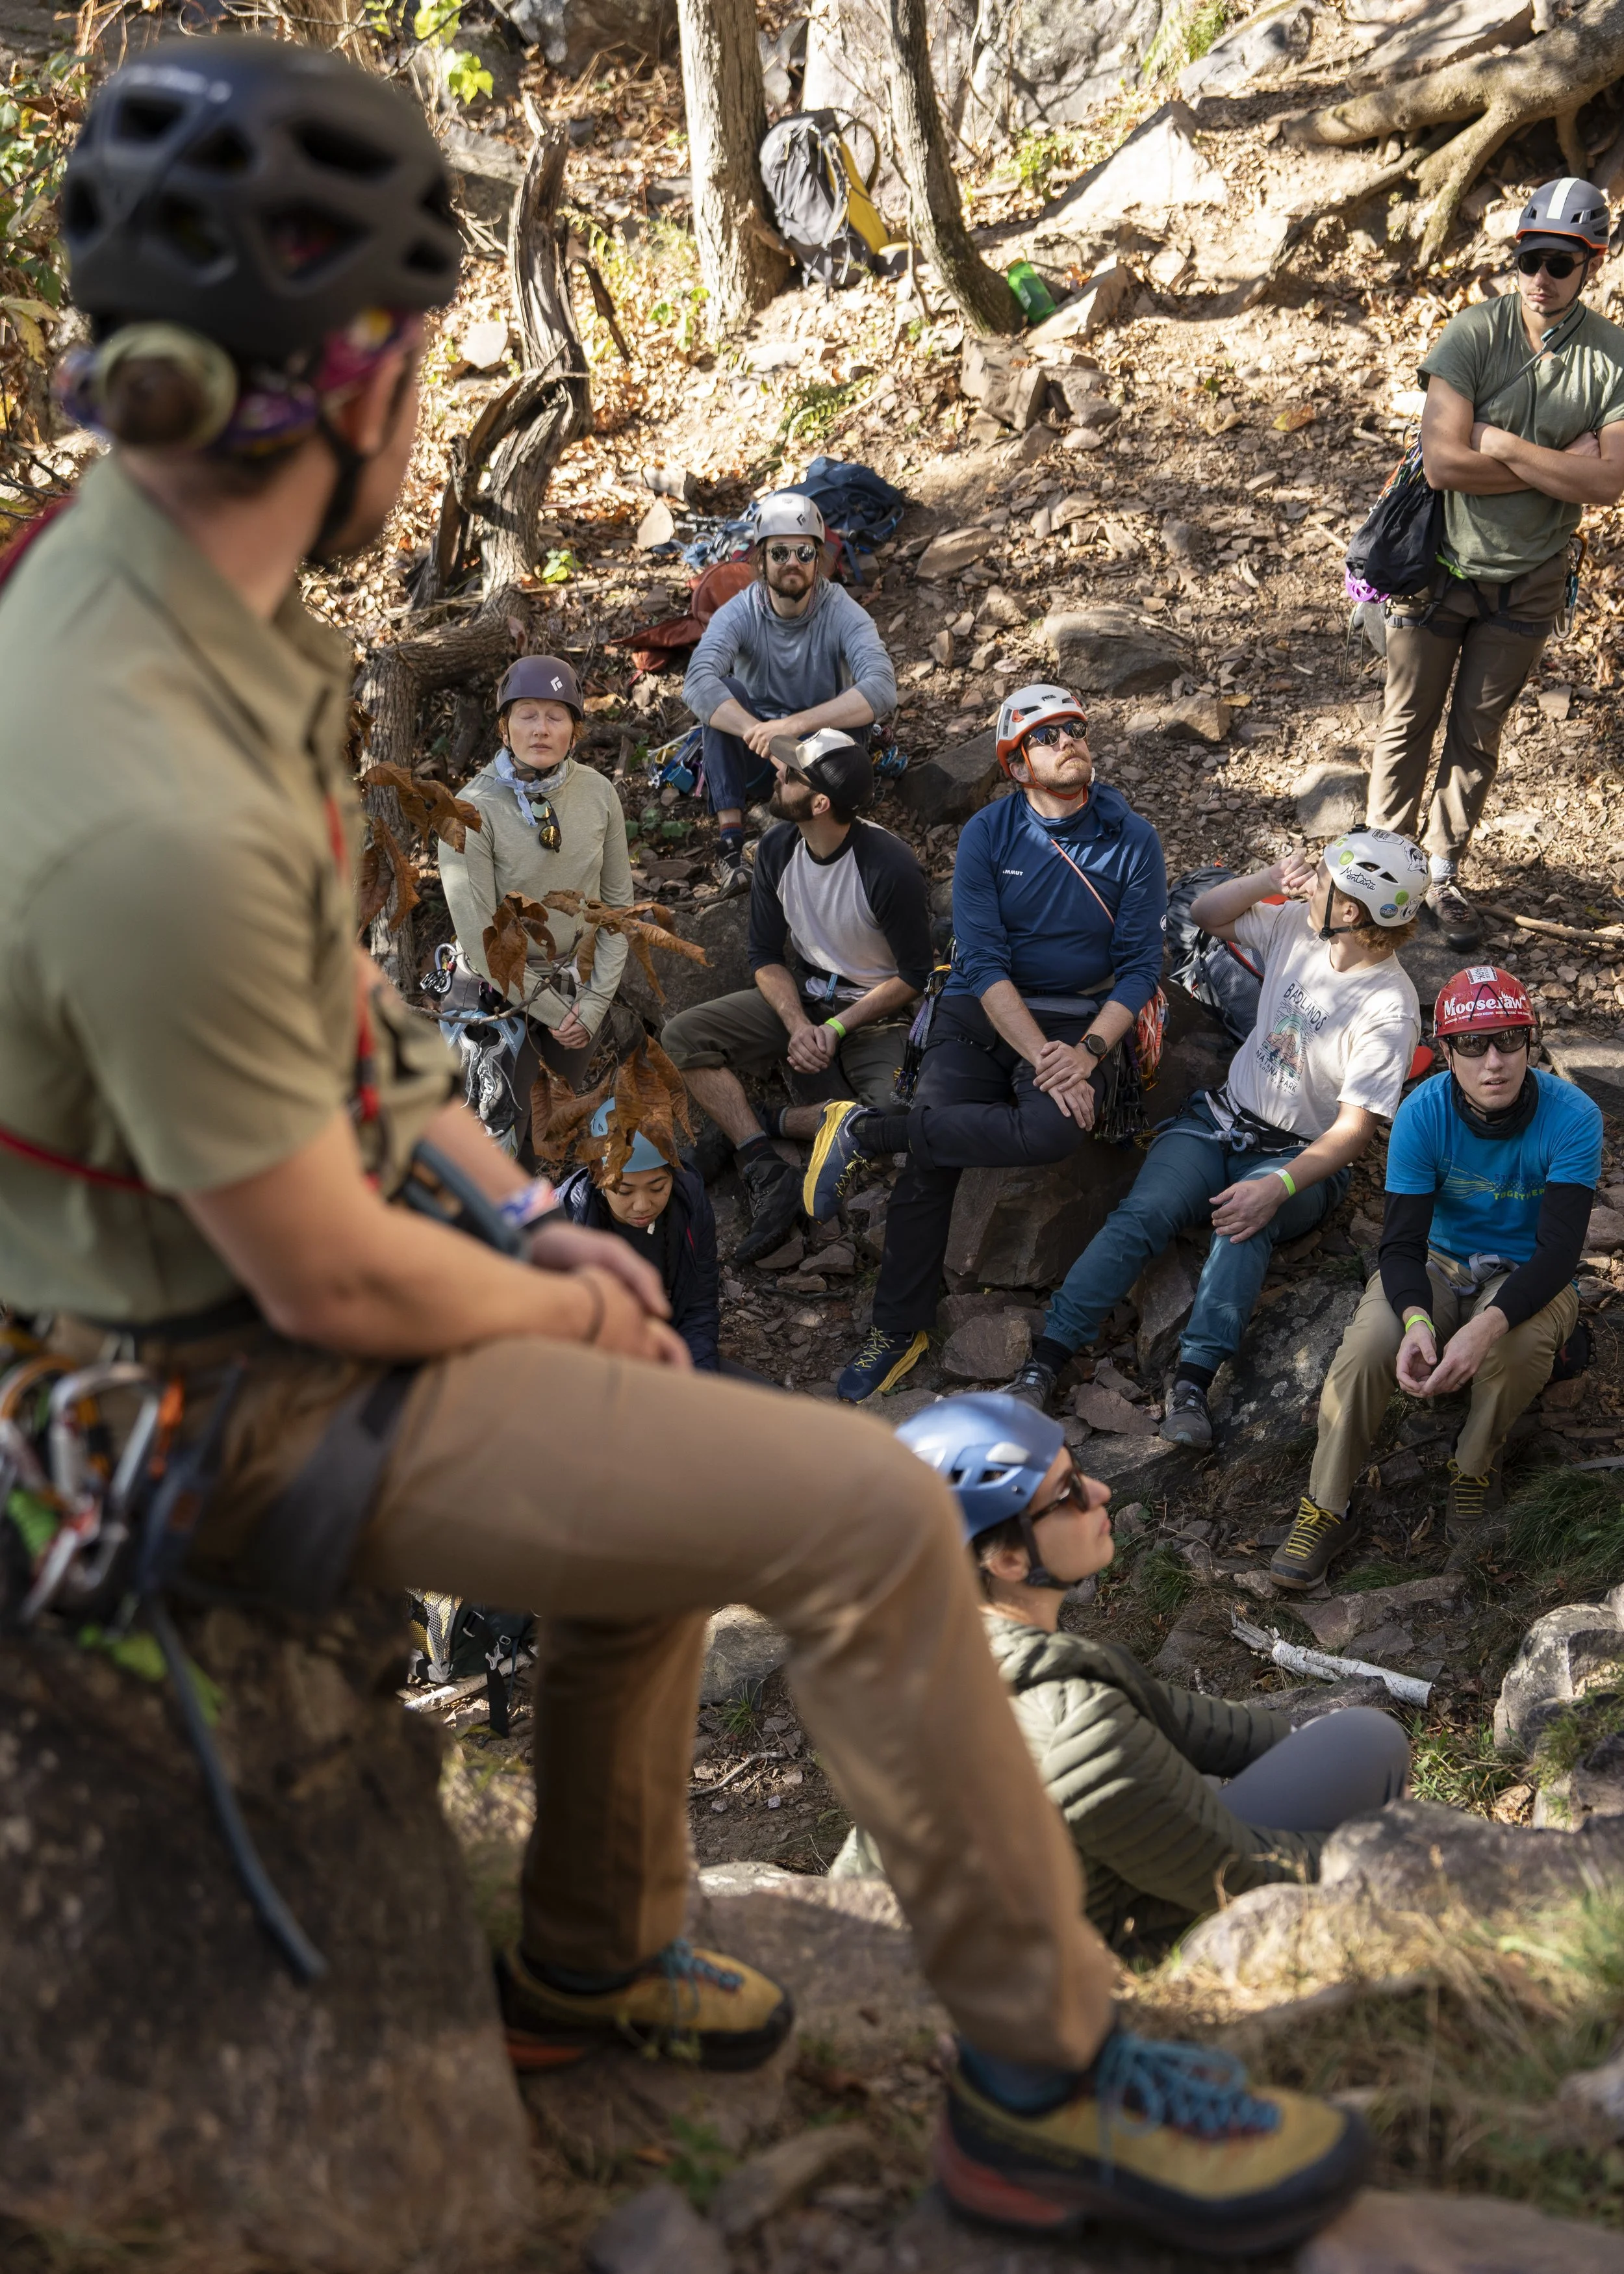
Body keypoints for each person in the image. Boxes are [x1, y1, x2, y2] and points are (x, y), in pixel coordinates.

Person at [0, 43, 1369, 2257]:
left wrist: (530, 1200)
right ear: (338, 374)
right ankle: (1044, 2082)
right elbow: (323, 1272)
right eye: (427, 365)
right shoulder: (132, 769)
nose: (434, 408)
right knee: (862, 1508)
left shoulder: (166, 590)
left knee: (644, 1393)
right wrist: (542, 1288)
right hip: (199, 1387)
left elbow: (330, 998)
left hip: (212, 1282)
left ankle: (595, 1946)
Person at [837, 1396, 1411, 1945]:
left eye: (1078, 1470)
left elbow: (1174, 1718)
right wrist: (1396, 1853)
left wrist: (1290, 1742)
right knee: (1371, 1740)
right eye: (1067, 1494)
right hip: (1098, 1961)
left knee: (1308, 1752)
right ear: (1008, 1559)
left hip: (1028, 1922)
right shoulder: (1074, 1726)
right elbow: (1237, 1877)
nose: (1100, 1491)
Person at [1006, 834, 1427, 1450]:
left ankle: (1193, 1387)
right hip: (1222, 1119)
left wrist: (1276, 1186)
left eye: (1329, 881)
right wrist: (1270, 878)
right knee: (1144, 1214)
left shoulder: (1389, 1008)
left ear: (1352, 912)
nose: (1314, 883)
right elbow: (1204, 914)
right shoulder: (1299, 926)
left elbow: (1353, 1131)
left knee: (1243, 1228)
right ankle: (1045, 1360)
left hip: (1298, 1156)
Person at [809, 685, 1167, 1405]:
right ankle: (897, 1327)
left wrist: (1089, 1052)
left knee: (1053, 1127)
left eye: (1073, 728)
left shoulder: (1132, 840)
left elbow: (1138, 969)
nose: (1068, 739)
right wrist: (1043, 1057)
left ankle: (866, 1129)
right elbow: (984, 960)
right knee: (931, 1156)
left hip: (1074, 1020)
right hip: (979, 1011)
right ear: (1015, 765)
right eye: (1046, 735)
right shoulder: (989, 835)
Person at [1276, 966, 1602, 1588]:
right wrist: (1418, 1319)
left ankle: (1476, 1468)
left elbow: (1559, 1254)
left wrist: (1485, 1329)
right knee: (1370, 1345)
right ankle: (1326, 1505)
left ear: (1531, 1043)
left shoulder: (1573, 1117)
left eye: (1510, 1040)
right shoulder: (1422, 1114)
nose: (1494, 1063)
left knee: (1515, 1344)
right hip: (1440, 1262)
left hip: (1530, 1268)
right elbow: (1398, 1246)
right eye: (1472, 1045)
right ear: (1446, 1051)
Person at [1369, 176, 1624, 949]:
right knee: (1407, 718)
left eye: (1560, 263)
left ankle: (1441, 874)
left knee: (1479, 729)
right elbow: (1443, 464)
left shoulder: (1610, 357)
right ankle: (1380, 870)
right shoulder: (1471, 336)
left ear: (1594, 263)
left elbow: (1609, 481)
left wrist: (1504, 444)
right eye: (1530, 260)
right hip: (1439, 563)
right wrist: (1557, 463)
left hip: (1533, 572)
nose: (1541, 279)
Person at [661, 727, 930, 1266]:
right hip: (803, 999)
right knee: (682, 1035)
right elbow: (764, 954)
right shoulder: (780, 848)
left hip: (872, 1014)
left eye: (792, 772)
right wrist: (796, 1022)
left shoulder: (888, 866)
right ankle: (762, 1163)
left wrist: (835, 1029)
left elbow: (913, 977)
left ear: (821, 801)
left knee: (897, 1119)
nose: (777, 775)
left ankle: (762, 1120)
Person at [438, 653, 633, 1129]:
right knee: (499, 1133)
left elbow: (617, 912)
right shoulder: (468, 809)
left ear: (574, 730)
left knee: (555, 1130)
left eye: (555, 715)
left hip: (576, 990)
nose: (541, 729)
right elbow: (481, 935)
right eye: (527, 715)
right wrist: (557, 1012)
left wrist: (592, 1004)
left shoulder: (599, 794)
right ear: (505, 728)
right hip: (500, 991)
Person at [683, 491, 897, 895]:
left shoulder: (841, 611)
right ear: (761, 561)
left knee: (854, 730)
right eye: (780, 552)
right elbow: (697, 681)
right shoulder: (741, 612)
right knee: (723, 692)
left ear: (819, 560)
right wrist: (758, 731)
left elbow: (882, 687)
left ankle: (817, 839)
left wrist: (793, 727)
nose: (792, 563)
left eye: (803, 552)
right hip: (761, 755)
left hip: (822, 748)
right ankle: (731, 843)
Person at [555, 1099, 722, 1371]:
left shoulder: (690, 1206)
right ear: (598, 1179)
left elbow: (699, 1307)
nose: (643, 1205)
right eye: (624, 1192)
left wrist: (694, 1381)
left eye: (657, 1188)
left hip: (662, 1353)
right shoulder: (565, 1220)